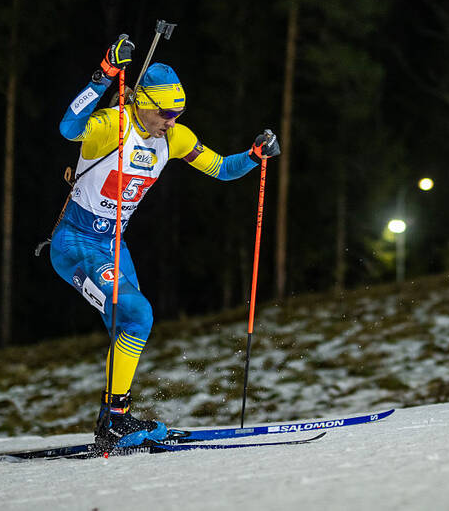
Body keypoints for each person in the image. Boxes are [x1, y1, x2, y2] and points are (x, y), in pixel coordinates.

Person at [50, 34, 280, 451]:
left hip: (114, 243)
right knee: (138, 313)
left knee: (128, 325)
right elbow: (68, 128)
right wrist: (105, 73)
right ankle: (115, 421)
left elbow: (221, 169)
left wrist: (253, 156)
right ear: (142, 102)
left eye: (179, 113)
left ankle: (111, 421)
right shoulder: (114, 124)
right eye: (165, 113)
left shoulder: (174, 138)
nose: (172, 121)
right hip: (75, 242)